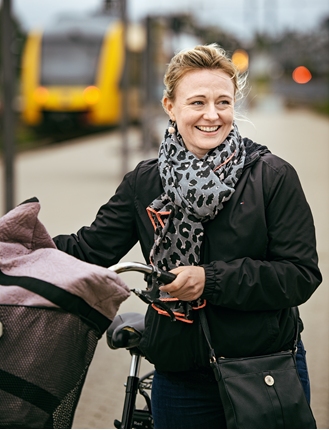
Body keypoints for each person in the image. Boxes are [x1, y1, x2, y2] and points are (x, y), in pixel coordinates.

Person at [53, 44, 321, 429]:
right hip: (180, 375)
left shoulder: (272, 176)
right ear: (170, 107)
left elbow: (299, 275)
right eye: (197, 102)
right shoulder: (144, 182)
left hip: (262, 367)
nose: (212, 115)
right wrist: (24, 244)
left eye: (223, 102)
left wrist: (209, 281)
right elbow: (89, 249)